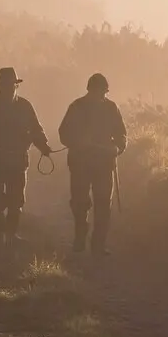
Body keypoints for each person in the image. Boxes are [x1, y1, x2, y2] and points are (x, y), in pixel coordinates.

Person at [0, 67, 54, 247]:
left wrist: (44, 146)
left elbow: (36, 129)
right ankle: (0, 235)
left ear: (16, 86)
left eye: (11, 85)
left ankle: (11, 234)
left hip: (17, 162)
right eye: (4, 85)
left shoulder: (25, 106)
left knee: (16, 201)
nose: (8, 88)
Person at [58, 73, 127, 255]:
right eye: (96, 91)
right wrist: (78, 142)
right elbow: (63, 133)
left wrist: (117, 148)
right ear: (89, 90)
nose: (99, 95)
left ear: (105, 92)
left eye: (102, 92)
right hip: (80, 164)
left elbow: (121, 135)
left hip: (104, 164)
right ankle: (80, 238)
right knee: (80, 203)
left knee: (103, 205)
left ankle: (98, 245)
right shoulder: (76, 107)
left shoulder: (112, 108)